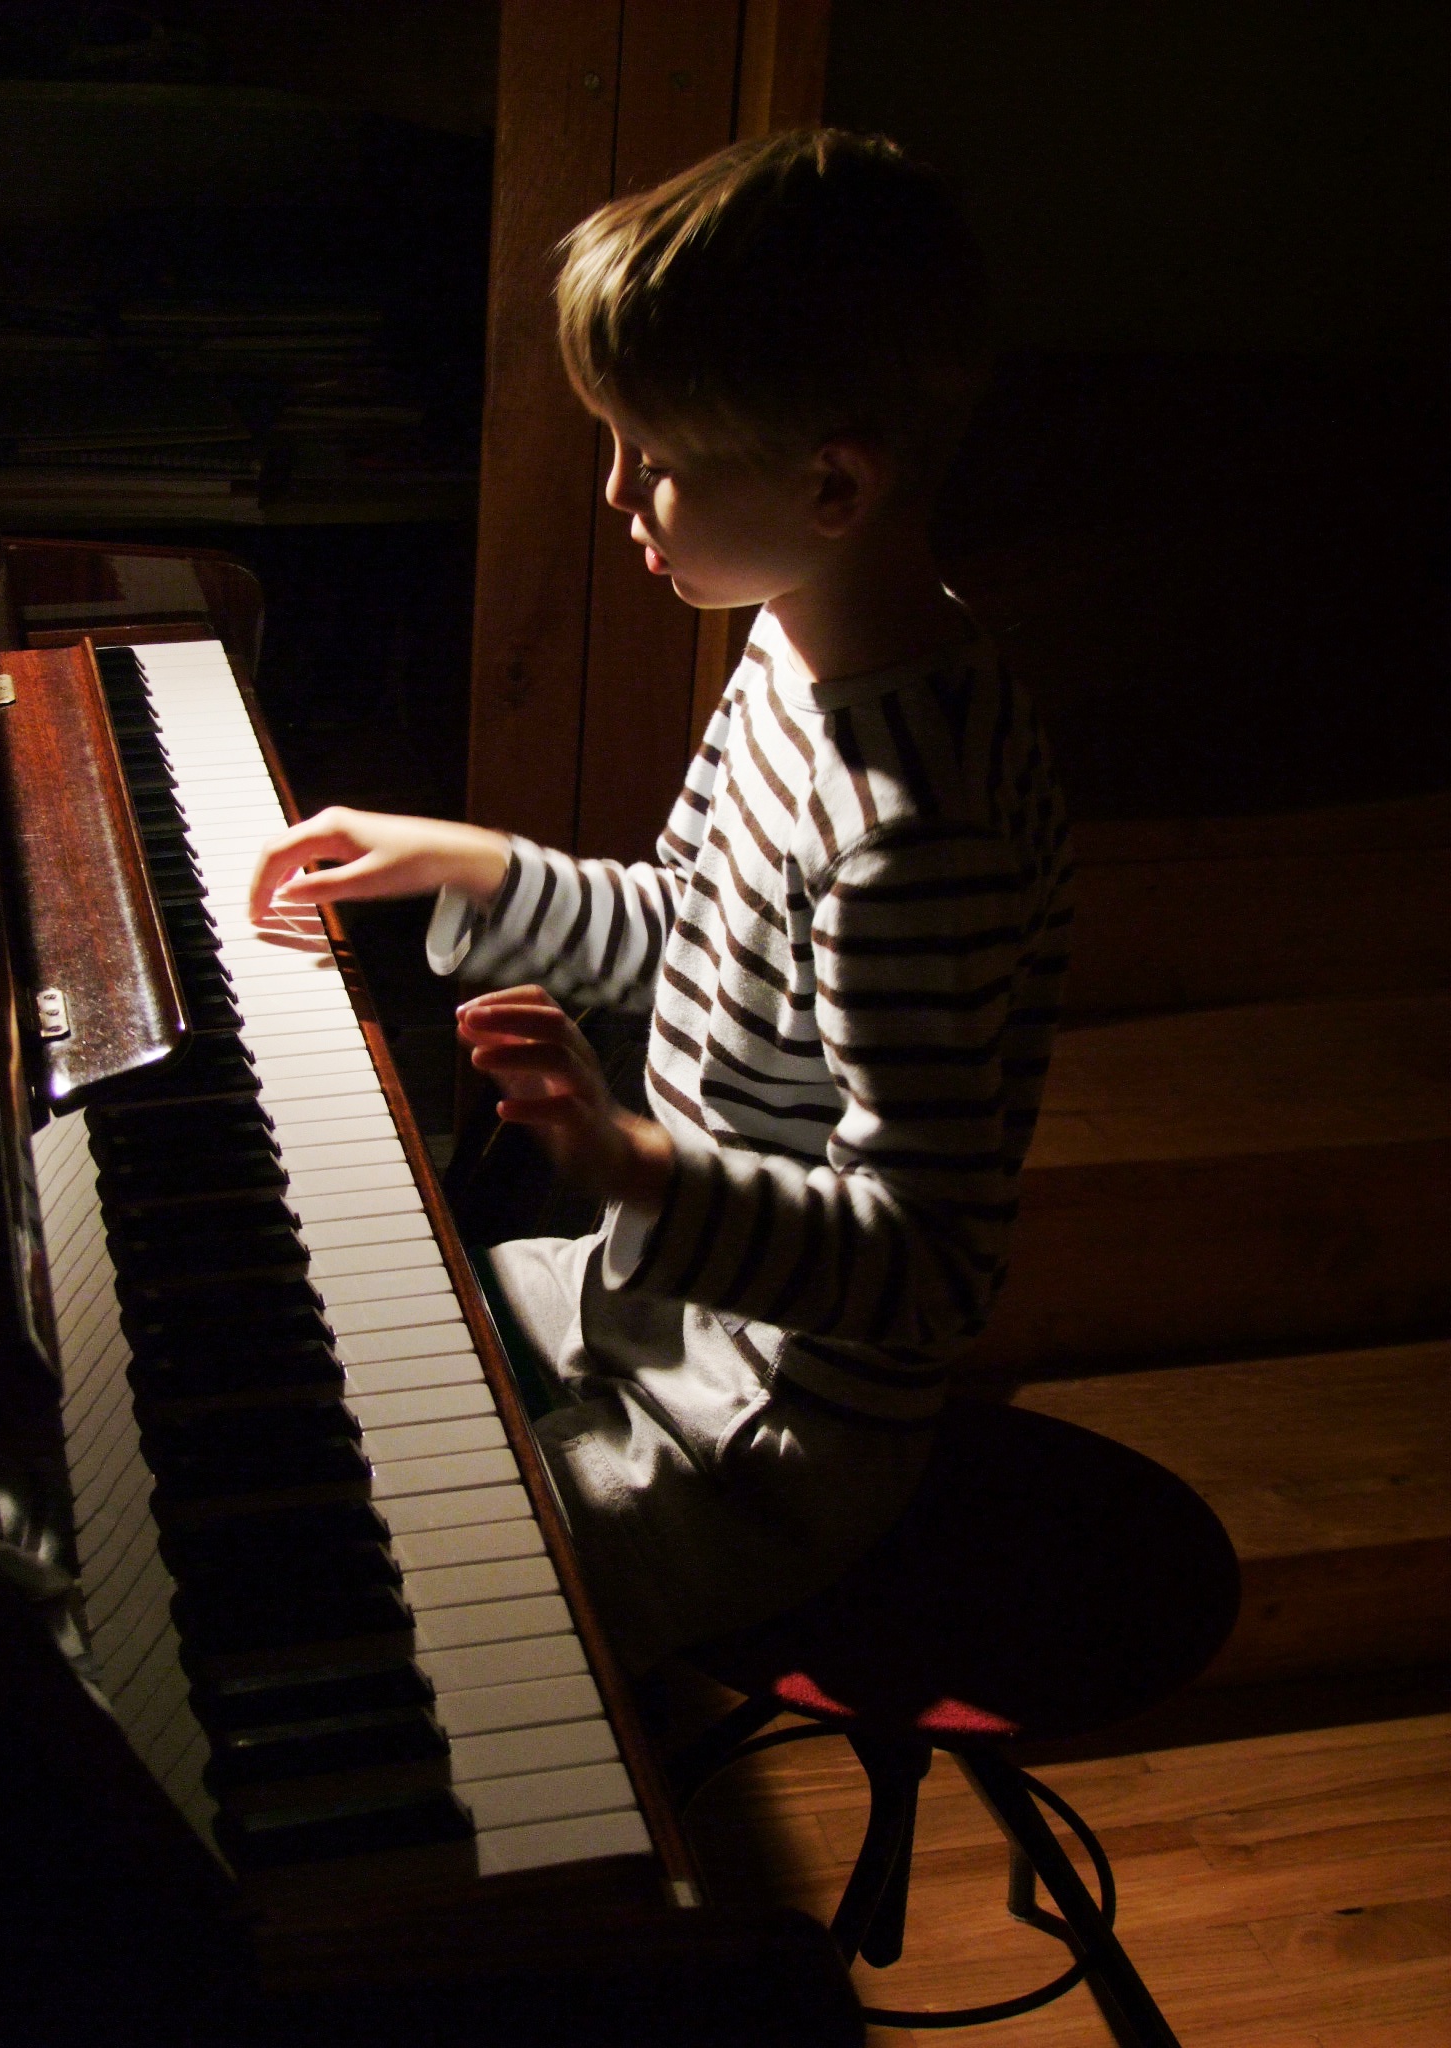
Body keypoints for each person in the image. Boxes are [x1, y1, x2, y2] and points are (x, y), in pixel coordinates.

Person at [248, 130, 1073, 1673]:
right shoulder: (791, 642)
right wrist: (462, 861)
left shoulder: (916, 834)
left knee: (390, 1605)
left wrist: (624, 1157)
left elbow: (926, 1266)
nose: (617, 489)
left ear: (832, 482)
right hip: (643, 1304)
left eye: (654, 455)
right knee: (322, 1354)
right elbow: (691, 916)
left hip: (761, 1439)